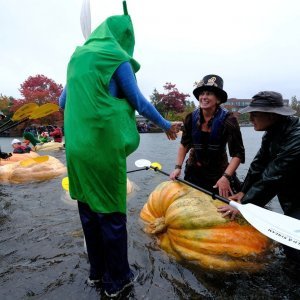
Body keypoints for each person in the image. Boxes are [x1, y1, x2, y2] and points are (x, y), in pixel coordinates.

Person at [62, 2, 182, 297]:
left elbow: (64, 102)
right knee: (112, 214)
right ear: (124, 38)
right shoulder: (116, 57)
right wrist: (166, 125)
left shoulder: (77, 58)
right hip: (101, 150)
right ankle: (118, 281)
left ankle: (96, 274)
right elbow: (139, 101)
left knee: (88, 210)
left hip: (76, 150)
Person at [217, 91, 300, 265]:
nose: (251, 119)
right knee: (289, 249)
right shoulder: (272, 132)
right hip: (291, 196)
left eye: (255, 114)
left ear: (271, 115)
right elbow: (258, 165)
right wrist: (243, 192)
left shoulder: (297, 136)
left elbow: (274, 175)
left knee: (294, 248)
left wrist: (245, 205)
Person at [170, 75, 245, 197]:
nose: (204, 97)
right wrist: (177, 167)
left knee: (226, 207)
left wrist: (226, 177)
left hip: (219, 173)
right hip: (194, 171)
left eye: (209, 94)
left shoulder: (229, 120)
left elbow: (238, 154)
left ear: (218, 99)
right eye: (202, 94)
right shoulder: (190, 118)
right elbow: (184, 144)